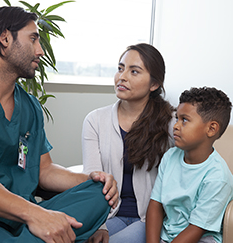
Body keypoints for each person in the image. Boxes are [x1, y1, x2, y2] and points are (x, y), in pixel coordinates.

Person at [0, 6, 119, 243]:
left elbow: (43, 170)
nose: (40, 51)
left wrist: (93, 180)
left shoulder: (29, 106)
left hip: (19, 216)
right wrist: (36, 214)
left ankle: (31, 236)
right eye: (33, 39)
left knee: (97, 195)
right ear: (5, 39)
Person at [82, 43, 175, 243]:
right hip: (107, 216)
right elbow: (91, 179)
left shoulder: (171, 123)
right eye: (120, 68)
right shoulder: (95, 120)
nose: (122, 77)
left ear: (154, 84)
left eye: (134, 71)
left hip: (149, 221)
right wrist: (100, 226)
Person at [146, 87, 233, 243]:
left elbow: (196, 228)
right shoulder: (170, 157)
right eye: (177, 118)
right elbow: (155, 204)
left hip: (200, 238)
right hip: (167, 233)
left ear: (211, 129)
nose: (176, 126)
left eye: (184, 120)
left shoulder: (218, 177)